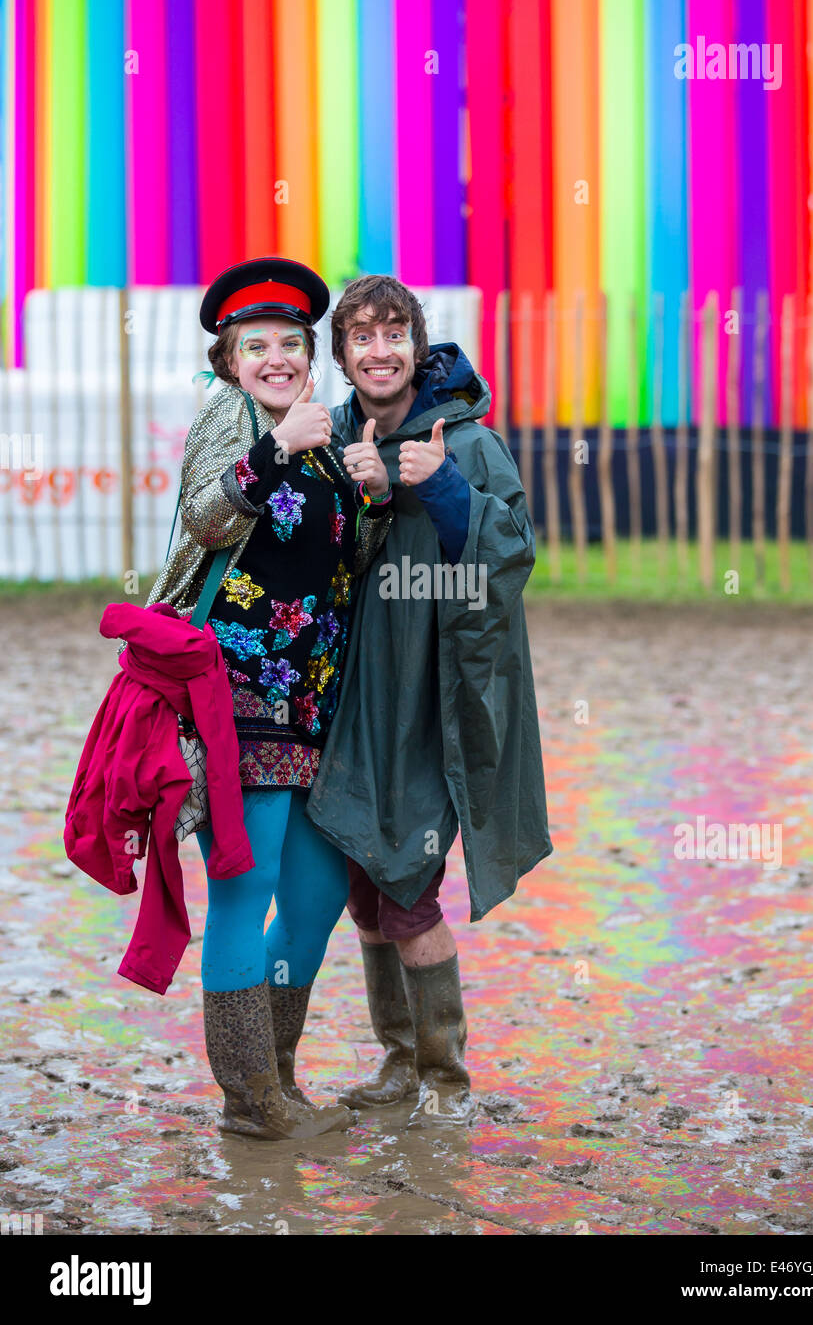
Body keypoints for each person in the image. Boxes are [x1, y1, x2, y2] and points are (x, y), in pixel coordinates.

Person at [146, 258, 393, 1140]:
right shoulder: (234, 420)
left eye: (293, 343)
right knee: (245, 891)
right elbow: (208, 522)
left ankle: (278, 1079)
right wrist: (272, 450)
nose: (279, 357)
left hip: (310, 698)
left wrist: (368, 499)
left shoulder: (323, 435)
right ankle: (250, 1098)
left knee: (320, 888)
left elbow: (334, 569)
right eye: (258, 346)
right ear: (228, 359)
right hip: (237, 695)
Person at [306, 275, 552, 1128]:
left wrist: (444, 489)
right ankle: (398, 1062)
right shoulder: (337, 436)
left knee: (410, 889)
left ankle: (446, 1082)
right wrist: (364, 494)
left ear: (417, 342)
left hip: (428, 699)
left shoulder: (468, 441)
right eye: (361, 337)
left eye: (393, 332)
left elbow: (513, 555)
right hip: (354, 703)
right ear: (342, 356)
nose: (379, 349)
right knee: (370, 892)